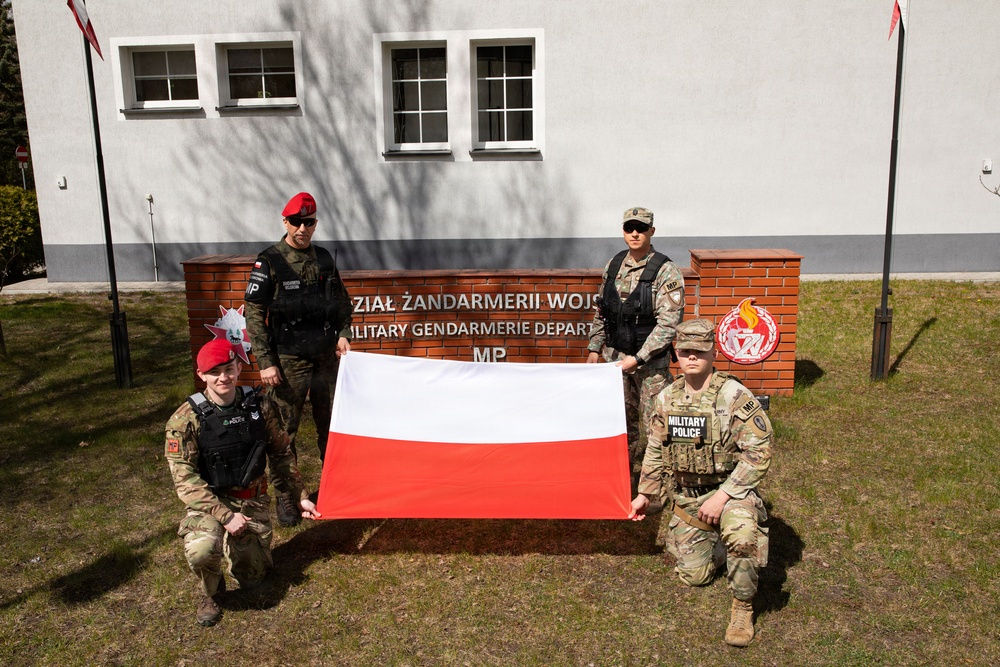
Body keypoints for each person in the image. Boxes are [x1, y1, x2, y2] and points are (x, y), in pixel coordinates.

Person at [630, 318, 772, 647]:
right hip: (688, 498)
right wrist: (644, 495)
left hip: (731, 492)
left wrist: (723, 498)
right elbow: (653, 448)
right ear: (676, 353)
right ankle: (719, 547)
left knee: (741, 535)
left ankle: (742, 606)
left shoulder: (734, 396)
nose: (692, 357)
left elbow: (759, 453)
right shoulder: (666, 399)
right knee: (695, 577)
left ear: (712, 353)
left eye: (699, 351)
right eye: (685, 351)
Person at [164, 339, 321, 626]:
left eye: (228, 369)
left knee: (253, 578)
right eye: (214, 372)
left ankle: (240, 550)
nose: (223, 377)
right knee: (201, 552)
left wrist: (300, 495)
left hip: (251, 499)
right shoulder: (185, 419)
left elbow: (281, 452)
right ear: (202, 376)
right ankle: (212, 591)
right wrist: (224, 516)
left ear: (238, 367)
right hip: (210, 503)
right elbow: (185, 479)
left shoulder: (260, 405)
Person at [244, 192, 352, 527]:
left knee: (332, 428)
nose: (302, 228)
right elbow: (253, 313)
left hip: (325, 360)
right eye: (296, 222)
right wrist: (265, 361)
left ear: (315, 224)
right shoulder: (270, 261)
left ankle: (336, 487)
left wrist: (344, 333)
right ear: (285, 222)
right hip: (287, 361)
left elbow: (341, 304)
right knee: (283, 432)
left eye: (308, 222)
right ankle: (288, 497)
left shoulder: (323, 259)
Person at [587, 206, 685, 491]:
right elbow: (603, 310)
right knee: (620, 427)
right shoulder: (614, 264)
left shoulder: (666, 271)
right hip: (614, 362)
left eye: (640, 228)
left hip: (649, 367)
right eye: (629, 227)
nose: (634, 233)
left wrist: (638, 358)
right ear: (623, 231)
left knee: (657, 429)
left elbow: (669, 324)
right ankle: (622, 482)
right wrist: (595, 348)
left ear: (651, 231)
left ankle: (655, 490)